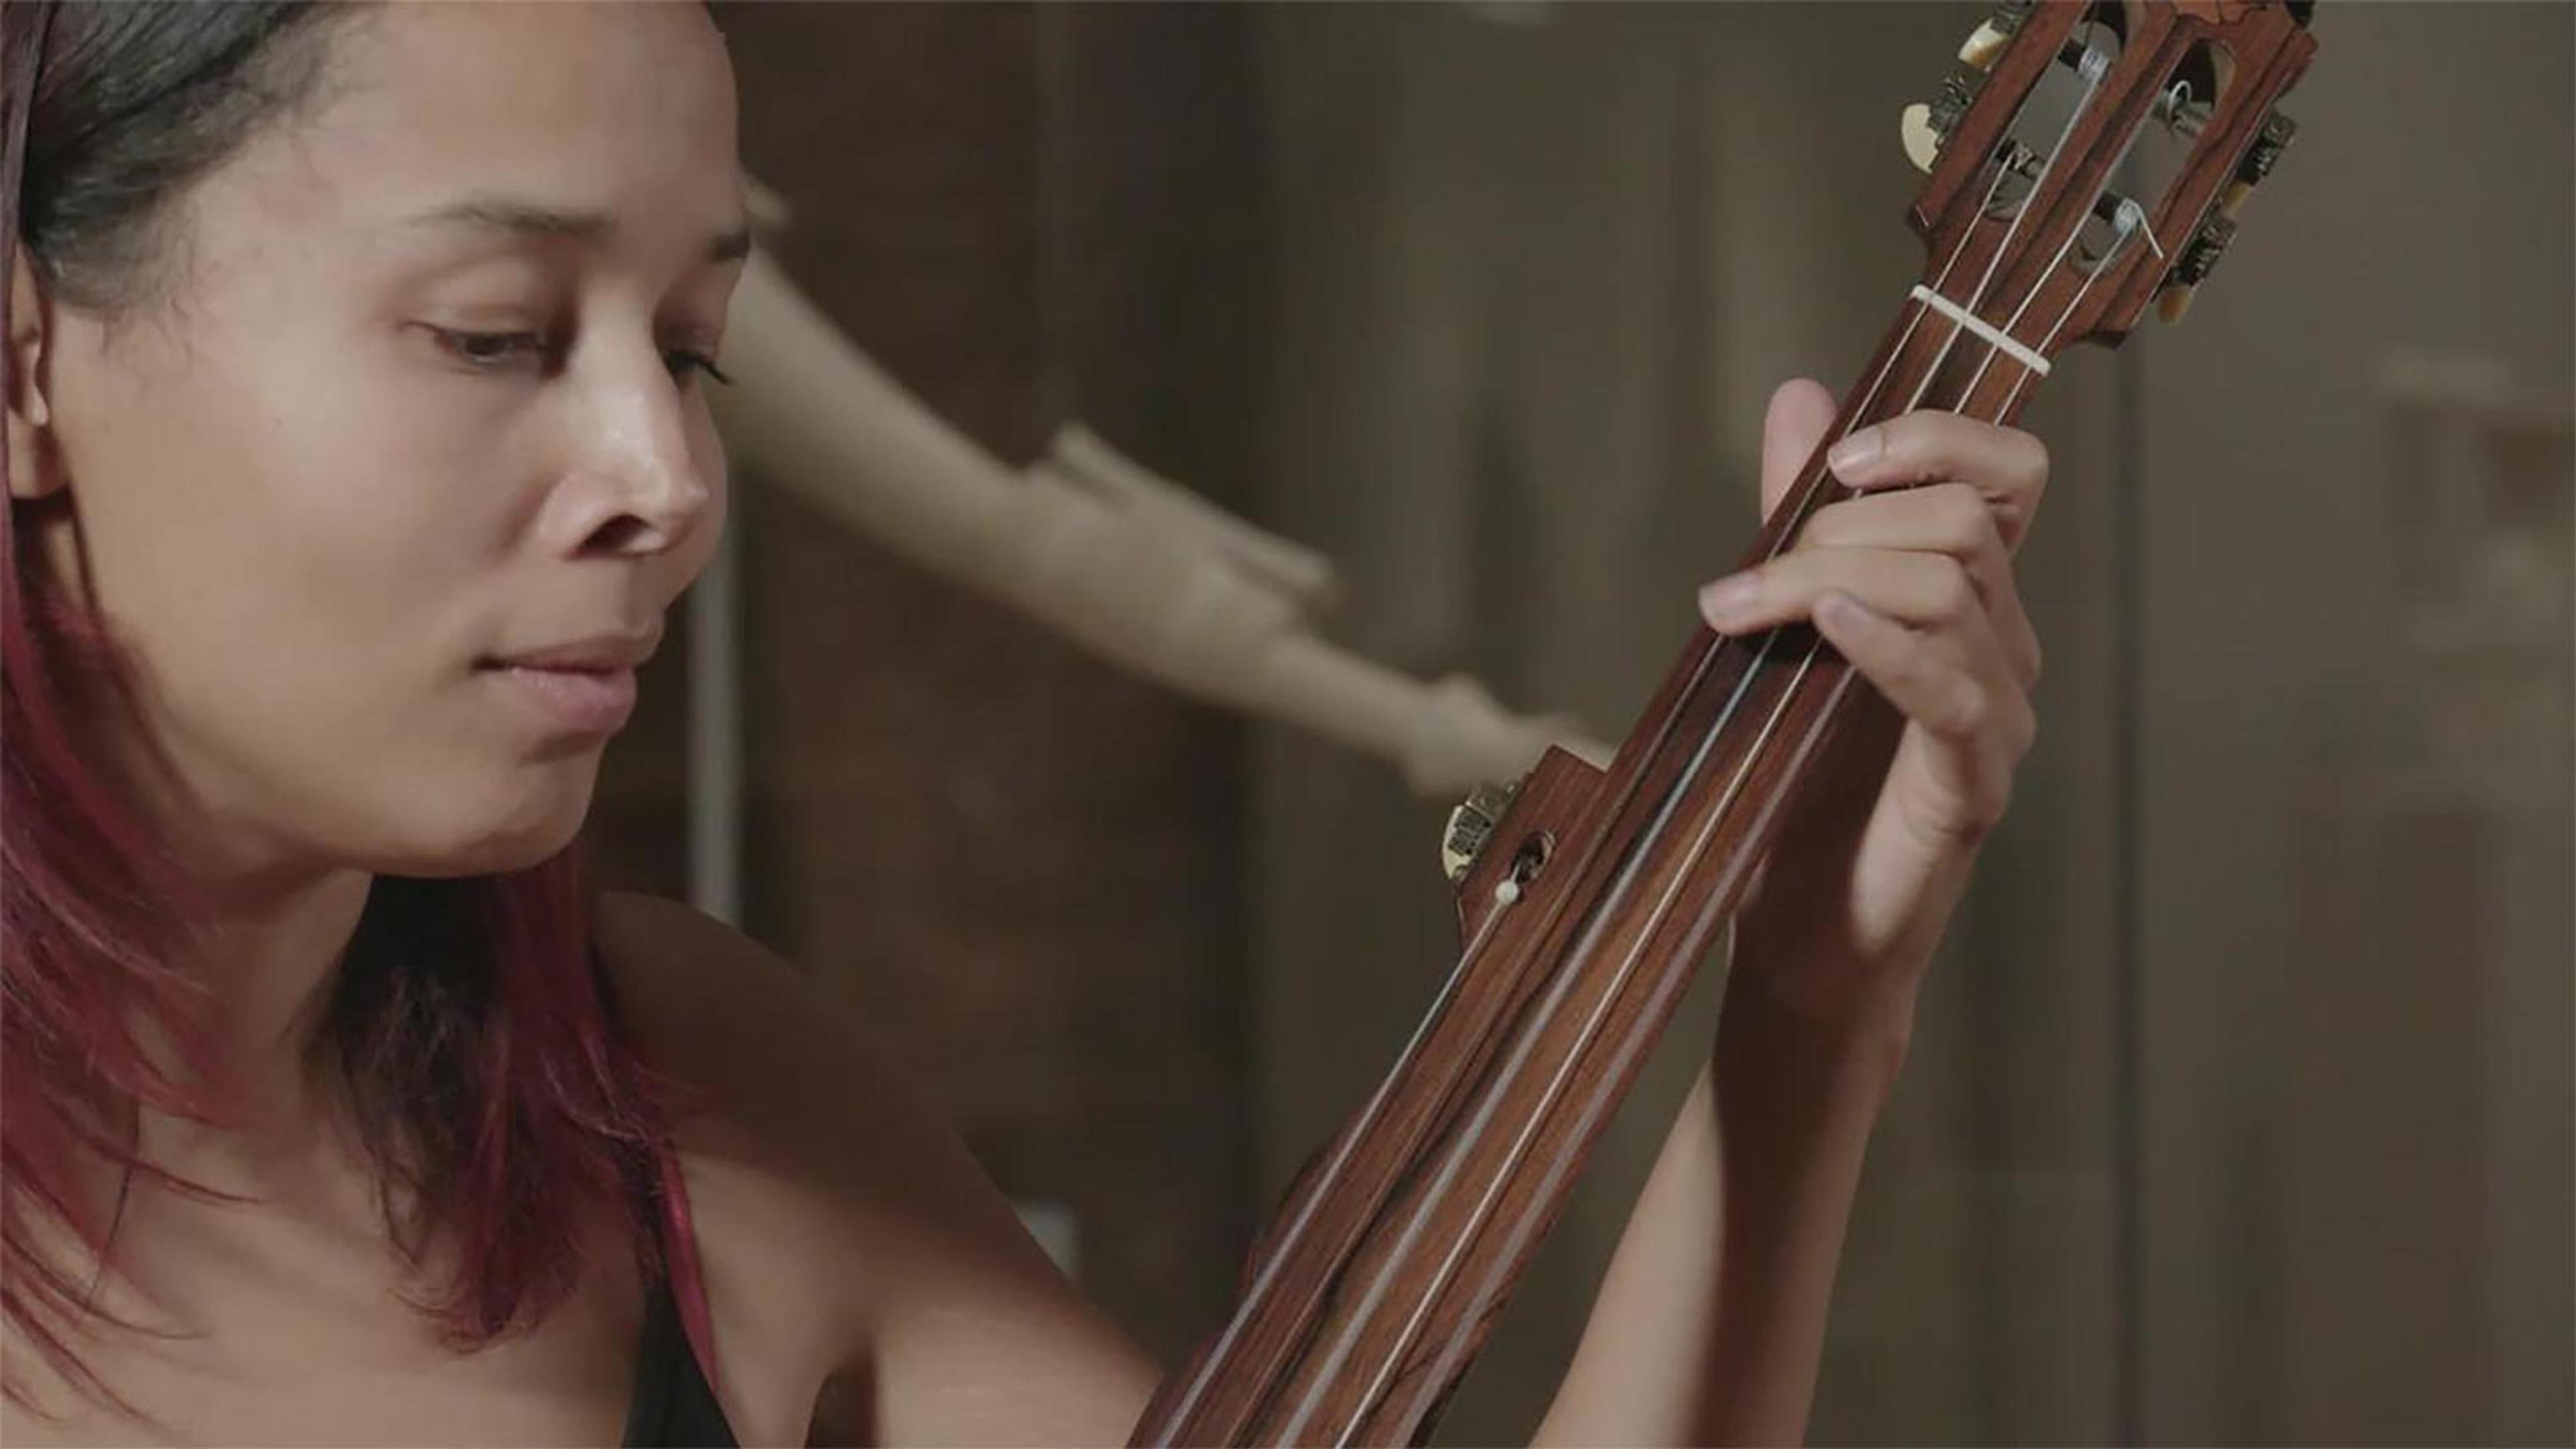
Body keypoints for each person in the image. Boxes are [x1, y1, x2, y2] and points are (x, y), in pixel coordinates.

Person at [0, 3, 2049, 1444]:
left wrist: (1804, 1002)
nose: (665, 476)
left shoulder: (685, 1111)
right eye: (495, 334)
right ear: (26, 365)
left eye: (694, 354)